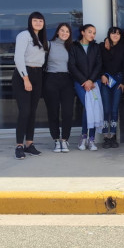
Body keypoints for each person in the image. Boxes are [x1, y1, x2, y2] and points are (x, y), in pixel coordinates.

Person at [12, 11, 47, 160]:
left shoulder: (42, 38)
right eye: (35, 20)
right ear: (30, 22)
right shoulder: (24, 36)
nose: (38, 23)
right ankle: (19, 145)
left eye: (40, 21)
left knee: (32, 111)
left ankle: (29, 144)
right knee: (24, 111)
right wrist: (25, 78)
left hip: (38, 74)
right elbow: (18, 57)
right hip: (24, 75)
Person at [68, 24, 103, 151]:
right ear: (83, 32)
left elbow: (99, 65)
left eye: (94, 33)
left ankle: (91, 139)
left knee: (92, 107)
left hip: (93, 82)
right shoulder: (74, 47)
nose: (92, 35)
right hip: (80, 83)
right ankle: (84, 137)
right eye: (90, 32)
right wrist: (84, 81)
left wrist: (91, 80)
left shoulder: (96, 47)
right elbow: (72, 66)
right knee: (88, 107)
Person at [44, 22, 74, 153]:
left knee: (67, 112)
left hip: (67, 80)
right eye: (62, 30)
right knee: (53, 112)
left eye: (67, 31)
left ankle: (65, 140)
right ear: (57, 32)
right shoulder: (49, 45)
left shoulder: (71, 47)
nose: (65, 33)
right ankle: (56, 140)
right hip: (51, 79)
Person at [100, 26, 124, 148]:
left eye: (118, 34)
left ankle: (113, 136)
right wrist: (101, 75)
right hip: (106, 80)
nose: (115, 35)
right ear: (109, 34)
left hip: (118, 80)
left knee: (115, 109)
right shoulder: (102, 46)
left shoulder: (123, 47)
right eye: (113, 33)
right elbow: (98, 62)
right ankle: (105, 137)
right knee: (106, 109)